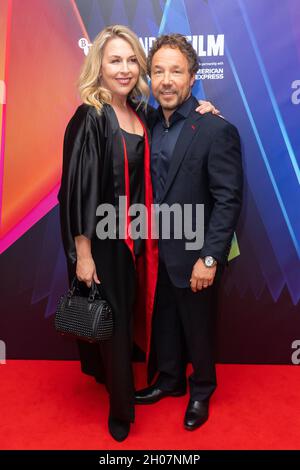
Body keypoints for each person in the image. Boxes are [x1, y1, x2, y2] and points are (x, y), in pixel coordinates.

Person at [58, 25, 217, 441]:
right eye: (115, 60)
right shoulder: (90, 115)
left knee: (127, 320)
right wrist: (84, 253)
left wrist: (205, 108)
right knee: (112, 322)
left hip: (138, 241)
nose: (125, 69)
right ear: (99, 66)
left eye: (132, 60)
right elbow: (75, 189)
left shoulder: (140, 113)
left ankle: (139, 386)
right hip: (105, 243)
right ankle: (120, 413)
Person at [135, 34, 243, 431]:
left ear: (193, 76)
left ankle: (201, 390)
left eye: (175, 71)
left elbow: (228, 199)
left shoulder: (215, 129)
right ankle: (169, 379)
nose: (166, 80)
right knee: (164, 320)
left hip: (197, 252)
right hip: (156, 250)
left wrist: (209, 258)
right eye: (158, 71)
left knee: (198, 328)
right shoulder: (146, 121)